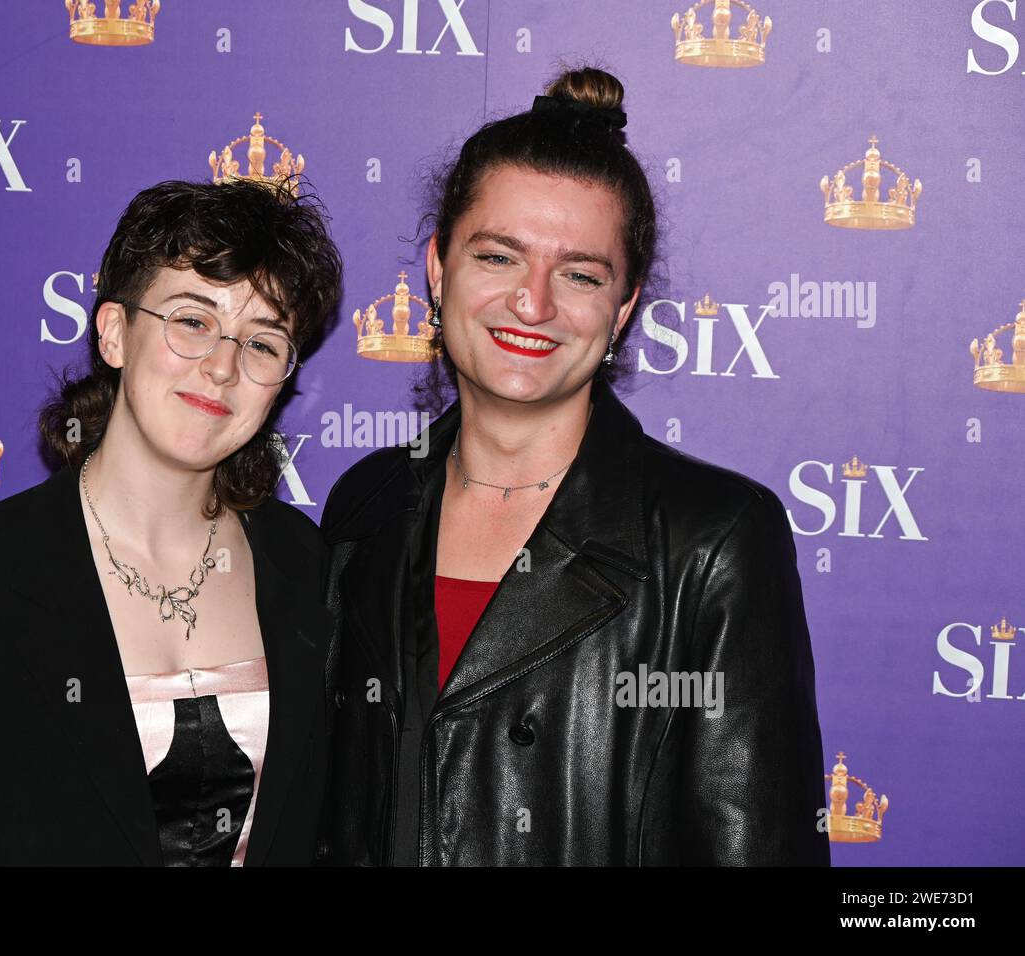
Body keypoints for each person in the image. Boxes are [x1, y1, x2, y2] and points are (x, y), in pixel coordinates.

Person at [316, 66, 831, 865]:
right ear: (438, 267)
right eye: (498, 258)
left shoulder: (713, 542)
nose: (533, 303)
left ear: (622, 308)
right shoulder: (368, 503)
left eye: (581, 274)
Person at [0, 177, 343, 866]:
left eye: (262, 343)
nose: (222, 367)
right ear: (114, 333)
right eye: (192, 321)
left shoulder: (310, 569)